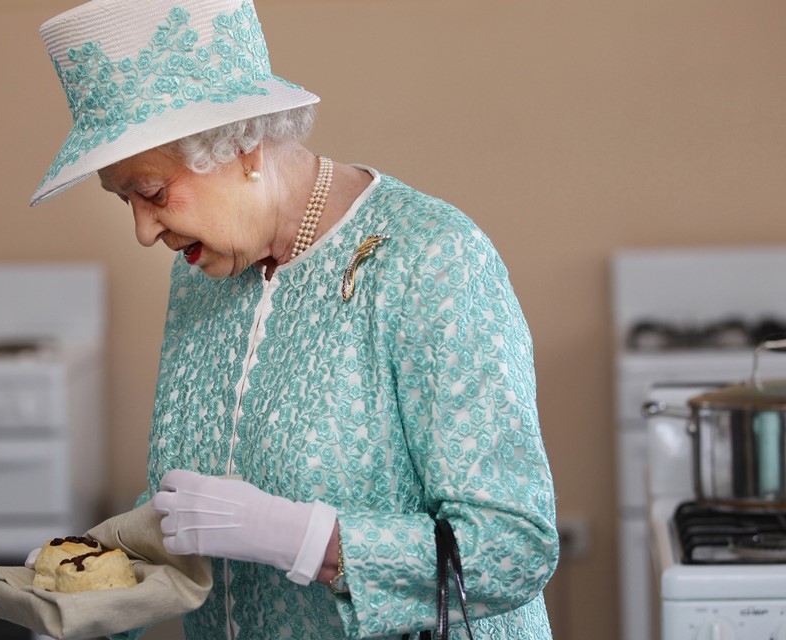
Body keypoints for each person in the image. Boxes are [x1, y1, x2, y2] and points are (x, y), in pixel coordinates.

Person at [30, 0, 559, 638]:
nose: (144, 231)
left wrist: (306, 539)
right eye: (125, 201)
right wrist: (104, 565)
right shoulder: (201, 275)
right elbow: (200, 512)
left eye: (151, 193)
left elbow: (514, 547)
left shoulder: (432, 257)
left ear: (246, 146)